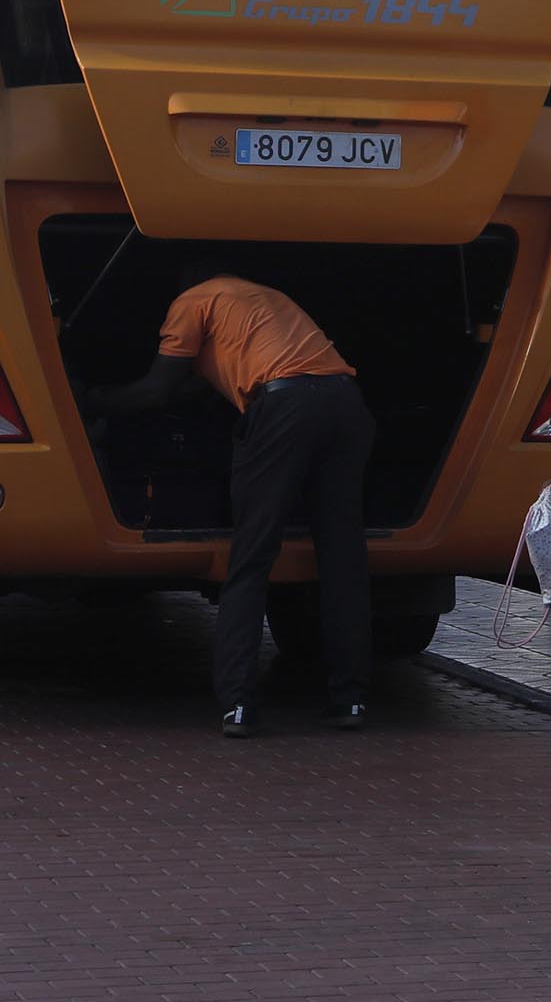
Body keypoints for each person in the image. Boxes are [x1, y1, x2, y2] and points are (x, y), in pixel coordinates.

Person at [88, 267, 373, 736]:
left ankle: (238, 703)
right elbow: (203, 385)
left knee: (252, 555)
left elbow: (155, 391)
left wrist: (92, 402)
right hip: (346, 404)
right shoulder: (261, 300)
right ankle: (351, 699)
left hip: (285, 406)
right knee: (342, 556)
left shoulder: (191, 301)